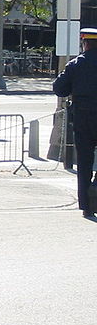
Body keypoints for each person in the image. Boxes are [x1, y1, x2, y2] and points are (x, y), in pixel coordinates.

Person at [53, 27, 97, 218]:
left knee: (84, 162)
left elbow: (59, 89)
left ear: (84, 43)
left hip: (83, 116)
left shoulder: (76, 64)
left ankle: (86, 205)